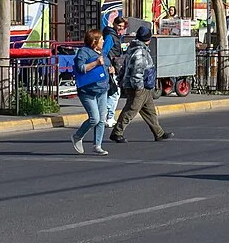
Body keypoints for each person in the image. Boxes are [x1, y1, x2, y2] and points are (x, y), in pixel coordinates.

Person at [109, 22, 172, 143]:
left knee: (150, 111)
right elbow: (137, 71)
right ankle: (117, 132)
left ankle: (159, 133)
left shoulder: (134, 48)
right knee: (131, 110)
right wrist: (139, 87)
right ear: (147, 39)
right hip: (138, 86)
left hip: (143, 86)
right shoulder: (140, 52)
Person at [71, 25, 113, 155]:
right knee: (94, 118)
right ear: (94, 41)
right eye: (101, 39)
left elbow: (106, 65)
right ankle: (77, 136)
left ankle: (97, 145)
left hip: (102, 89)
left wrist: (110, 69)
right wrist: (96, 63)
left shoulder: (102, 53)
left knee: (101, 119)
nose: (103, 41)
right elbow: (81, 68)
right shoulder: (84, 52)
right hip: (87, 90)